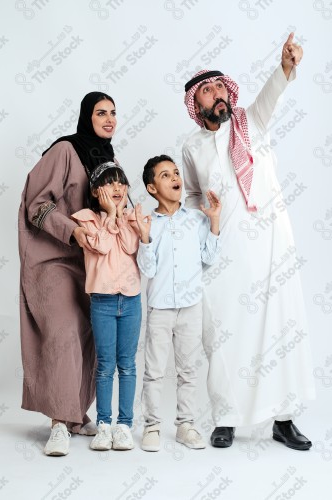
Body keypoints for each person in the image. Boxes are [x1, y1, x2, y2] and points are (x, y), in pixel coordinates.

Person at [182, 32, 315, 450]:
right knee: (223, 332)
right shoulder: (191, 147)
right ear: (196, 105)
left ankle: (284, 418)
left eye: (221, 85)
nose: (217, 93)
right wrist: (203, 211)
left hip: (272, 245)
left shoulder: (250, 121)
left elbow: (270, 95)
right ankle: (226, 418)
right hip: (225, 253)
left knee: (281, 326)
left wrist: (286, 66)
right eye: (208, 90)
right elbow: (188, 196)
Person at [18, 91, 118, 456]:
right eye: (100, 112)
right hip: (55, 260)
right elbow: (36, 205)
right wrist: (72, 231)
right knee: (62, 333)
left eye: (113, 113)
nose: (109, 119)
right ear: (85, 117)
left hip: (92, 266)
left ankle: (75, 414)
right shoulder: (65, 151)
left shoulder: (108, 160)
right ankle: (58, 423)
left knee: (89, 335)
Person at [135, 154, 221, 451]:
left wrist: (214, 222)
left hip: (190, 306)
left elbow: (209, 258)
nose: (175, 178)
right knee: (154, 371)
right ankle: (152, 426)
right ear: (151, 188)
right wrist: (144, 237)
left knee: (188, 371)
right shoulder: (149, 224)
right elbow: (147, 270)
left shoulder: (196, 219)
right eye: (165, 175)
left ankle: (186, 426)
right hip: (160, 308)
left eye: (175, 173)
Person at [72, 163, 141, 451]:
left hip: (131, 300)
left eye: (121, 183)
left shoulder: (133, 218)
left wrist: (120, 216)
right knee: (105, 367)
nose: (117, 188)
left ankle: (124, 425)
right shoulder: (86, 219)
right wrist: (110, 215)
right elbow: (98, 246)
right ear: (95, 190)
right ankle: (103, 425)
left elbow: (130, 246)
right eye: (110, 183)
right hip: (102, 300)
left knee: (127, 365)